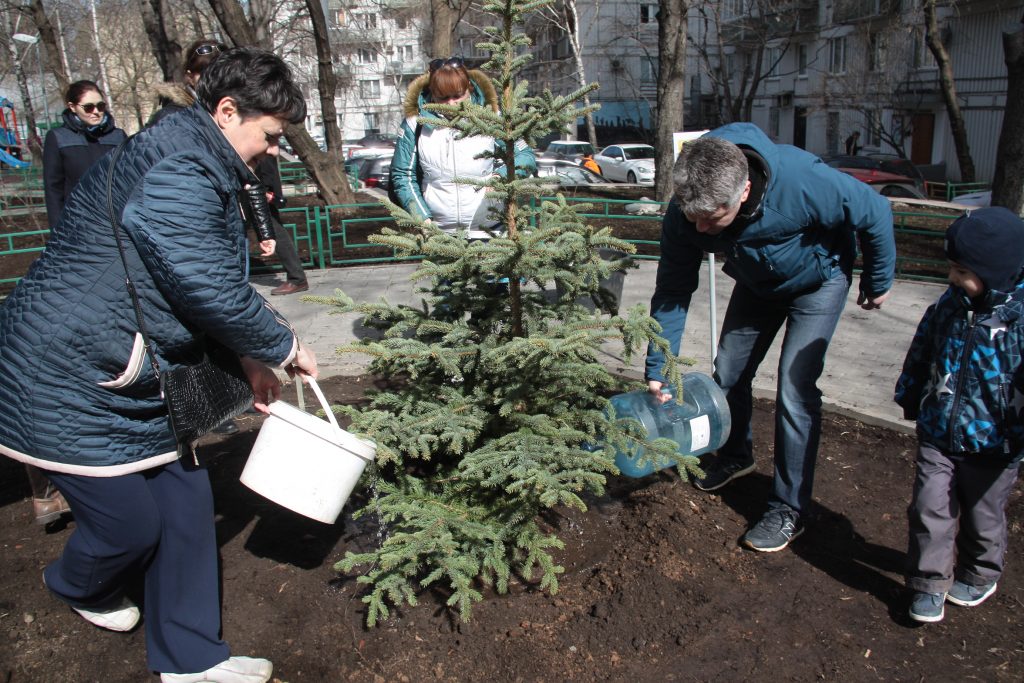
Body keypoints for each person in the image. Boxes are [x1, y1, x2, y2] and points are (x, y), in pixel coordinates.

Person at [0, 48, 317, 682]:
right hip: (66, 372)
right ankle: (75, 583)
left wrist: (247, 357)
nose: (275, 150)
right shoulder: (183, 164)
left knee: (184, 504)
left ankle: (193, 661)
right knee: (130, 527)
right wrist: (281, 344)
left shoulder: (198, 150)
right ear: (228, 112)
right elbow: (199, 278)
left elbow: (184, 281)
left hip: (130, 366)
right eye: (271, 135)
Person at [645, 123, 895, 552]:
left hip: (820, 281)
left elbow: (874, 211)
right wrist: (659, 367)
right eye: (693, 218)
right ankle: (737, 455)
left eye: (712, 219)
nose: (702, 230)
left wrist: (877, 279)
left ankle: (788, 507)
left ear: (743, 191)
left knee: (795, 392)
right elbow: (672, 290)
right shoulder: (687, 212)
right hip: (757, 283)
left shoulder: (802, 180)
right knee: (728, 372)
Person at [895, 207, 1024, 623]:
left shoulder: (1018, 321)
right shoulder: (949, 306)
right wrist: (911, 393)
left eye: (961, 270)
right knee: (929, 508)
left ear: (996, 270)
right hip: (939, 432)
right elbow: (921, 351)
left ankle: (980, 572)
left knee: (984, 515)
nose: (953, 278)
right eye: (951, 268)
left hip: (996, 443)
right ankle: (929, 583)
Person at [390, 56, 536, 237]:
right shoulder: (416, 124)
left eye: (457, 96)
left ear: (469, 88)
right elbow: (403, 175)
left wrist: (501, 176)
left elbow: (525, 156)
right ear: (432, 93)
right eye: (443, 98)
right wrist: (422, 218)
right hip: (439, 232)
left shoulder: (492, 117)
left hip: (488, 231)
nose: (451, 103)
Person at [43, 80, 126, 227]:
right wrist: (58, 232)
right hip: (78, 225)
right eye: (88, 107)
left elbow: (130, 180)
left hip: (117, 224)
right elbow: (53, 190)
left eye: (100, 106)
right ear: (72, 107)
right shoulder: (58, 138)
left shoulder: (118, 137)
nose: (96, 112)